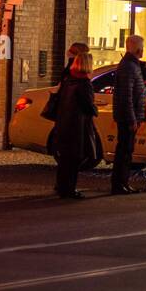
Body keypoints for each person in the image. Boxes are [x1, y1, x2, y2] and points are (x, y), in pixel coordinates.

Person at [53, 49, 97, 199]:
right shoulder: (84, 84)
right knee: (74, 160)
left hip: (63, 124)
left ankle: (61, 187)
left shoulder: (68, 80)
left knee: (64, 160)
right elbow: (88, 105)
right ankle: (69, 190)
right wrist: (95, 109)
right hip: (77, 126)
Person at [111, 34, 146, 195]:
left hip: (128, 116)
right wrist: (132, 119)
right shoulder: (129, 67)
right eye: (142, 47)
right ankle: (119, 183)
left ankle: (122, 183)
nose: (143, 50)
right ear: (138, 49)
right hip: (127, 118)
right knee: (124, 151)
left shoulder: (131, 65)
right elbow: (127, 96)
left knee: (126, 150)